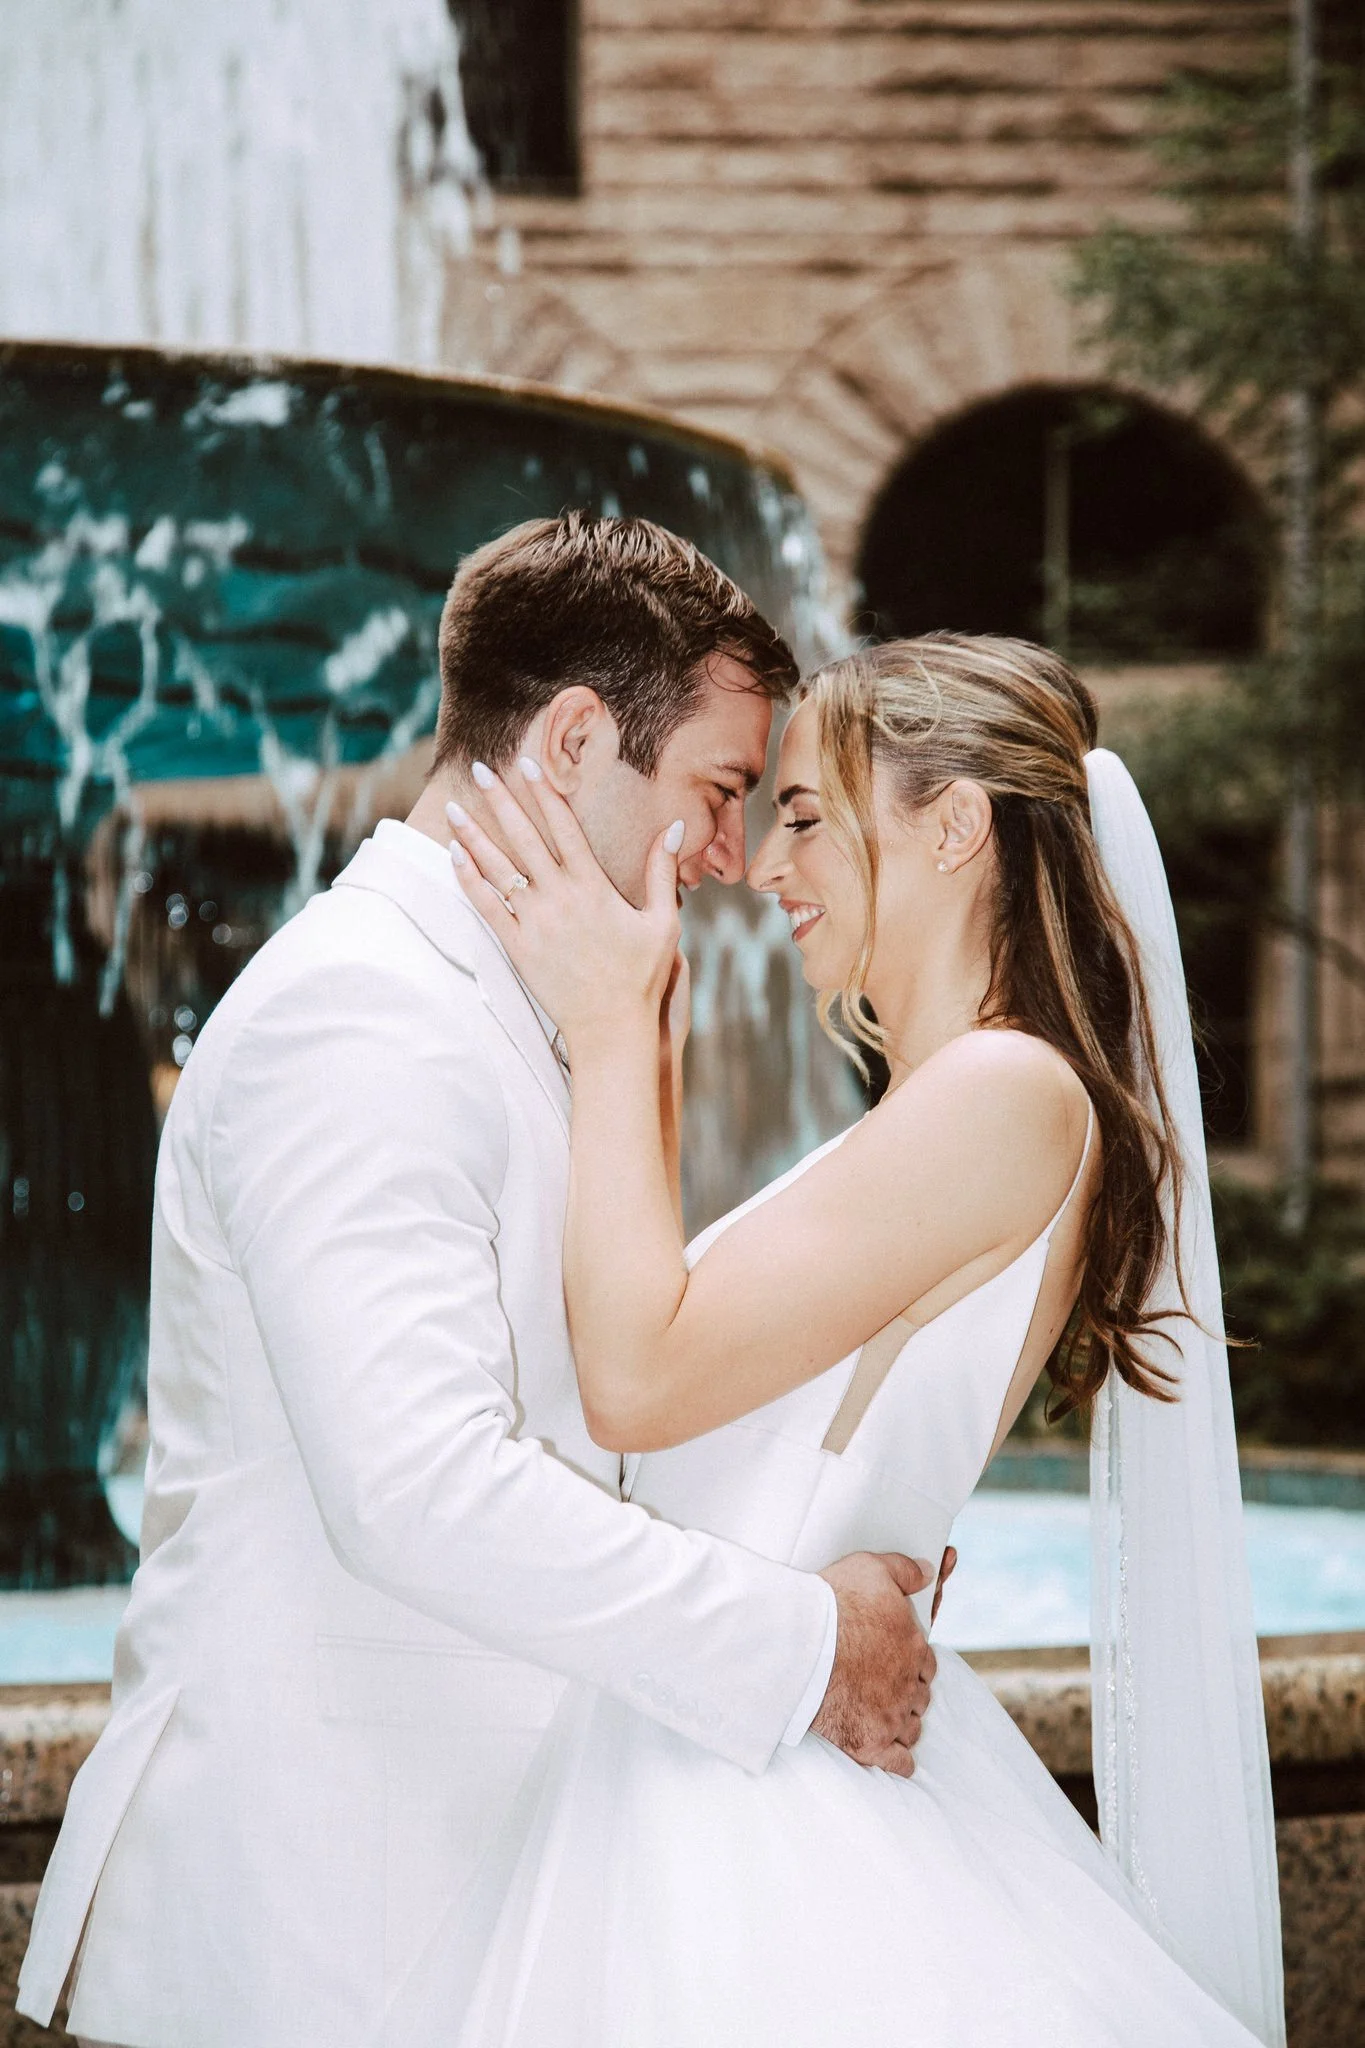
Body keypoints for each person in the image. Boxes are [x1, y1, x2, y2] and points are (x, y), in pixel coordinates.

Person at [17, 518, 940, 2048]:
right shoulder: (360, 1015)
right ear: (578, 734)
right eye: (717, 792)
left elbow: (598, 1411)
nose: (728, 857)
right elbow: (421, 1490)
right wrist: (801, 1644)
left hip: (458, 1893)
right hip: (312, 1920)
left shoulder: (538, 1002)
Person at [436, 631, 1286, 2048]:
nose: (767, 867)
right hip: (735, 1728)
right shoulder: (961, 1100)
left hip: (761, 1813)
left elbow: (638, 1378)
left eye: (813, 818)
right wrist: (641, 1042)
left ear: (955, 826)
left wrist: (606, 1028)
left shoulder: (1007, 1092)